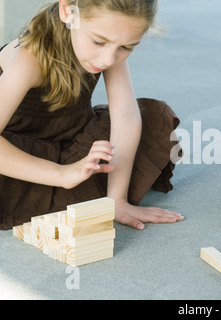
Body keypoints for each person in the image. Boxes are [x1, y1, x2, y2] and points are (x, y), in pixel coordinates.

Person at [0, 0, 184, 230]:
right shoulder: (28, 59)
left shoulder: (111, 47)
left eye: (127, 47)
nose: (108, 59)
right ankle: (62, 183)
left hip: (70, 136)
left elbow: (125, 117)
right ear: (68, 11)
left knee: (154, 117)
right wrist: (62, 174)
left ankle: (86, 189)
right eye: (98, 42)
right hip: (15, 151)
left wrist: (116, 200)